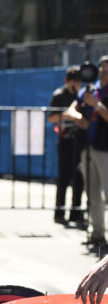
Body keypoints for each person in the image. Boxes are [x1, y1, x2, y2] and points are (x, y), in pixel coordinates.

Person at [64, 55, 108, 250]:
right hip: (87, 148)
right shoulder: (90, 89)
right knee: (92, 193)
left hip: (105, 149)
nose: (105, 69)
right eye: (102, 66)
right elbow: (69, 110)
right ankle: (97, 234)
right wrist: (77, 118)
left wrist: (96, 105)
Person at [48, 66, 85, 226]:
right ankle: (59, 211)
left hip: (80, 140)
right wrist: (68, 114)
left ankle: (76, 212)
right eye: (73, 82)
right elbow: (51, 117)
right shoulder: (59, 95)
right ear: (67, 81)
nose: (76, 85)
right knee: (64, 176)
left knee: (80, 177)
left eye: (78, 82)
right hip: (65, 140)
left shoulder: (83, 95)